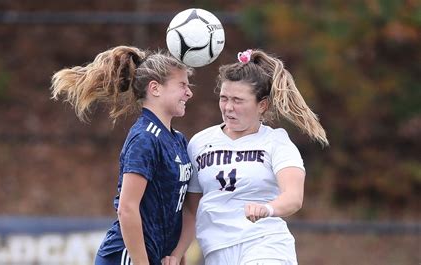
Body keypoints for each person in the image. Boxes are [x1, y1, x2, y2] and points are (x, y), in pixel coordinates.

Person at [163, 49, 329, 265]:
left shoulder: (276, 142)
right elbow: (192, 211)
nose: (228, 107)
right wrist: (176, 254)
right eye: (224, 98)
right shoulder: (199, 143)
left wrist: (267, 208)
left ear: (262, 105)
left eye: (238, 100)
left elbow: (294, 197)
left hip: (265, 244)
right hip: (216, 250)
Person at [50, 45, 194, 265]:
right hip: (128, 258)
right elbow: (127, 208)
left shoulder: (178, 140)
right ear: (155, 88)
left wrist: (176, 253)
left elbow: (176, 207)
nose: (189, 92)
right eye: (182, 85)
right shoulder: (145, 138)